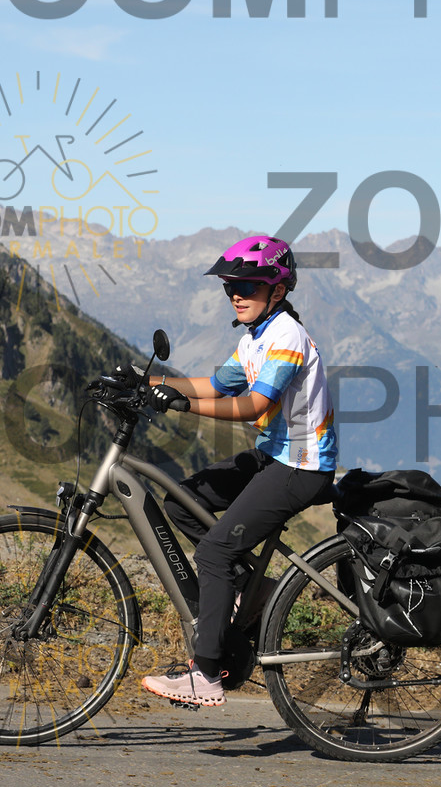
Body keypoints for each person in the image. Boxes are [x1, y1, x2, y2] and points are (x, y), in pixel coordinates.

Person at [138, 235, 338, 708]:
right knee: (182, 501)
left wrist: (182, 405)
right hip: (273, 456)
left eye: (247, 285)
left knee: (213, 553)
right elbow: (217, 384)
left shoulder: (286, 336)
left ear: (278, 290)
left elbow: (253, 405)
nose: (236, 294)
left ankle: (207, 675)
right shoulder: (255, 337)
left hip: (301, 466)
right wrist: (147, 382)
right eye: (230, 286)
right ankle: (254, 591)